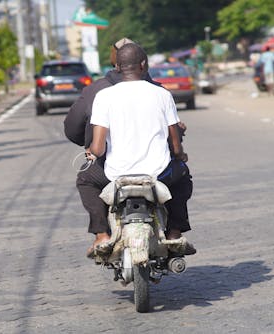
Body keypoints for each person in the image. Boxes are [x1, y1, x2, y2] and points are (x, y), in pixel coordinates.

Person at [64, 38, 192, 256]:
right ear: (143, 64)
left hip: (116, 174)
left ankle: (101, 234)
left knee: (85, 180)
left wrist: (91, 153)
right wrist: (181, 157)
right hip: (158, 173)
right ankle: (174, 233)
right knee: (183, 178)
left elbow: (98, 148)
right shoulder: (162, 94)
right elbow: (176, 144)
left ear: (117, 66)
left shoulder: (103, 96)